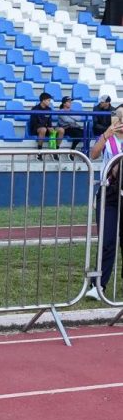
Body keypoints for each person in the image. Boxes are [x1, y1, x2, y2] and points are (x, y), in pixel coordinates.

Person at [88, 107, 123, 300]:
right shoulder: (108, 139)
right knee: (107, 240)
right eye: (119, 117)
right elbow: (92, 154)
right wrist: (105, 134)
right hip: (108, 192)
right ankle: (99, 285)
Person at [30, 92, 64, 160]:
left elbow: (49, 122)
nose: (49, 102)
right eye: (48, 100)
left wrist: (50, 127)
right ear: (43, 100)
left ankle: (55, 151)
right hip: (36, 129)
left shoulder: (49, 109)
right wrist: (47, 127)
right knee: (43, 129)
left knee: (61, 130)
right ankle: (39, 152)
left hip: (46, 128)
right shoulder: (34, 109)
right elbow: (34, 123)